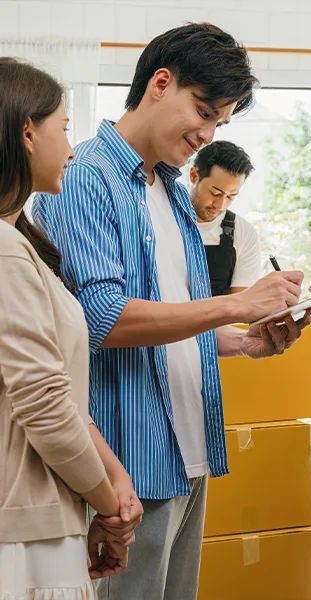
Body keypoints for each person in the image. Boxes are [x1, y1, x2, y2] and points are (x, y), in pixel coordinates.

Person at [33, 23, 310, 600]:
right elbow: (101, 319)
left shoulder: (170, 190)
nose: (207, 135)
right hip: (128, 461)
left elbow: (174, 321)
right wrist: (235, 303)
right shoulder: (87, 176)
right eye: (203, 112)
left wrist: (245, 340)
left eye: (220, 123)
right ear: (161, 83)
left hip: (187, 448)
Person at [0, 58, 142, 599]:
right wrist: (109, 507)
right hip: (24, 532)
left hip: (40, 518)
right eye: (63, 128)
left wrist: (114, 480)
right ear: (27, 133)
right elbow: (43, 402)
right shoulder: (6, 251)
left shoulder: (23, 245)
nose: (72, 147)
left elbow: (60, 397)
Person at [191, 140, 261, 295]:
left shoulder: (244, 233)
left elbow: (241, 305)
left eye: (230, 196)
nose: (220, 205)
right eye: (215, 193)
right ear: (194, 176)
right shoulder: (163, 220)